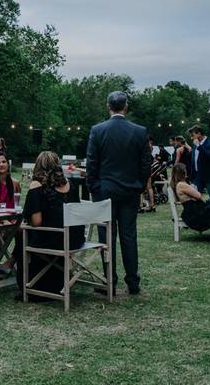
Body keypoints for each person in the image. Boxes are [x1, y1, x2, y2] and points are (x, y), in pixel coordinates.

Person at [86, 91, 151, 296]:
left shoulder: (98, 130)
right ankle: (133, 282)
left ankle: (110, 282)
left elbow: (91, 163)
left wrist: (94, 188)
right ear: (126, 107)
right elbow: (146, 164)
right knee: (129, 236)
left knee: (107, 237)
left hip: (105, 191)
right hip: (130, 190)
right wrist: (139, 185)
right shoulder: (139, 132)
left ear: (108, 107)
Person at [13, 151, 85, 300]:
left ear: (38, 166)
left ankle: (29, 284)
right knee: (23, 233)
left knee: (21, 234)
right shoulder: (69, 185)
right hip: (75, 239)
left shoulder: (36, 185)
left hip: (54, 240)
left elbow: (37, 222)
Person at [171, 163, 210, 232]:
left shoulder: (180, 184)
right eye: (185, 170)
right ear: (182, 172)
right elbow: (198, 195)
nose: (187, 171)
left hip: (195, 210)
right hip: (195, 213)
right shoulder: (181, 185)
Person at [189, 125, 210, 197]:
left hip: (208, 176)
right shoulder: (195, 144)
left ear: (199, 133)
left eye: (193, 135)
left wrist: (199, 146)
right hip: (197, 176)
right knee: (196, 197)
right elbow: (194, 161)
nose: (191, 137)